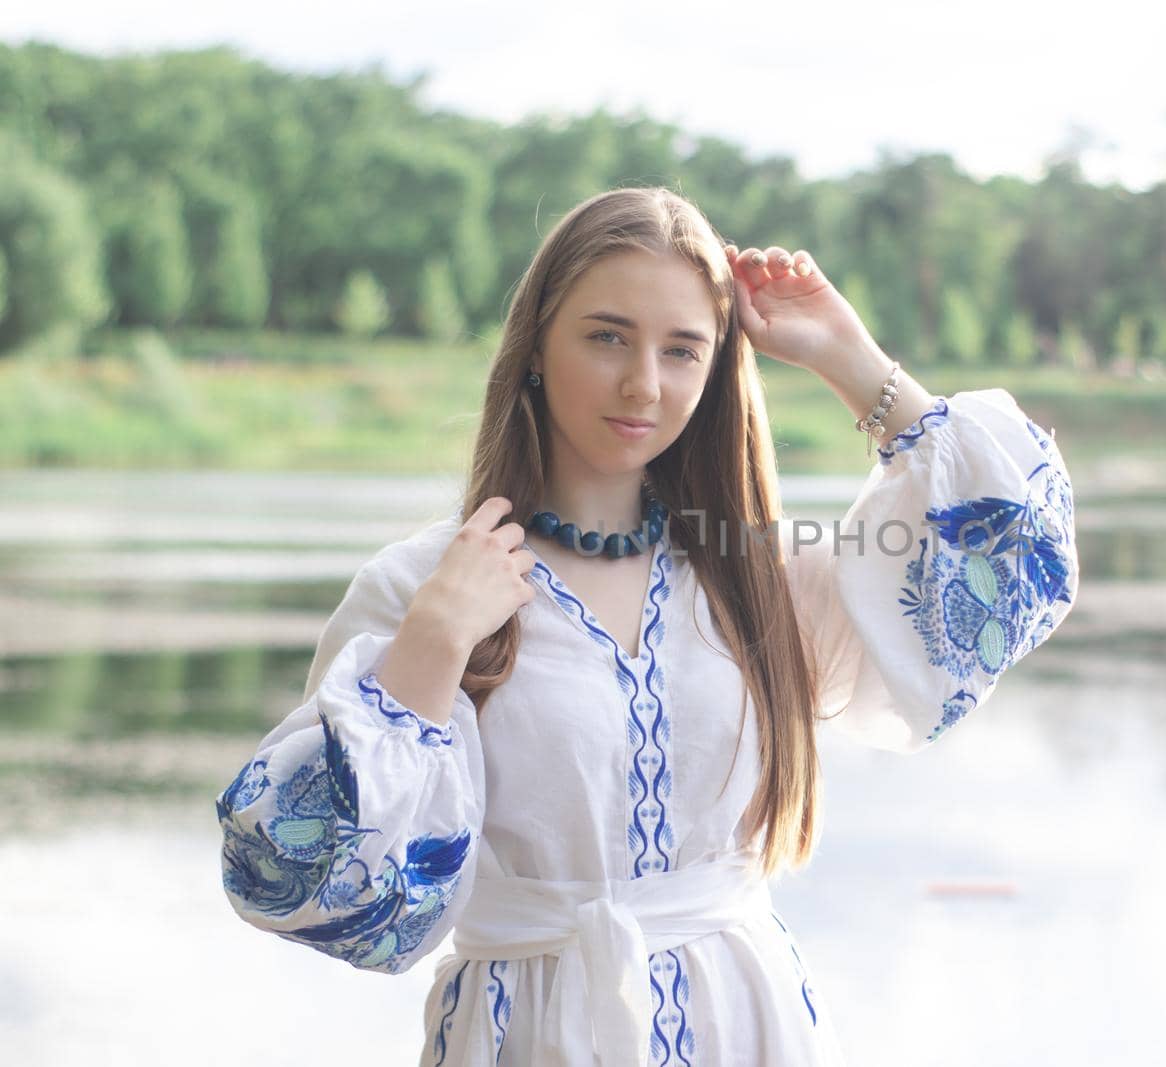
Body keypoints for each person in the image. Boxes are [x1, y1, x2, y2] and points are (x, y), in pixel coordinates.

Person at [214, 185, 1080, 1066]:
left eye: (682, 350)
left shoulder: (759, 576)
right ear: (538, 347)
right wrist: (433, 645)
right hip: (528, 1031)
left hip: (747, 1024)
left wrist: (853, 359)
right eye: (607, 336)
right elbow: (299, 885)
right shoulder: (425, 584)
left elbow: (1012, 575)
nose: (643, 383)